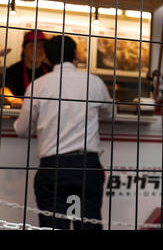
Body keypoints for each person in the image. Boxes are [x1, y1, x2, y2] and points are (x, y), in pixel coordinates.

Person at [14, 35, 115, 230]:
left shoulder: (38, 85)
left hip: (53, 168)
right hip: (87, 166)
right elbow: (111, 114)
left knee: (53, 226)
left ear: (47, 59)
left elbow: (23, 130)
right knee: (88, 225)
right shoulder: (93, 82)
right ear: (75, 55)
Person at [3, 30, 51, 108]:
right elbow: (4, 89)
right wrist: (12, 99)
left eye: (41, 47)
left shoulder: (50, 71)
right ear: (24, 49)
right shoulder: (14, 70)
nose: (38, 50)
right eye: (32, 46)